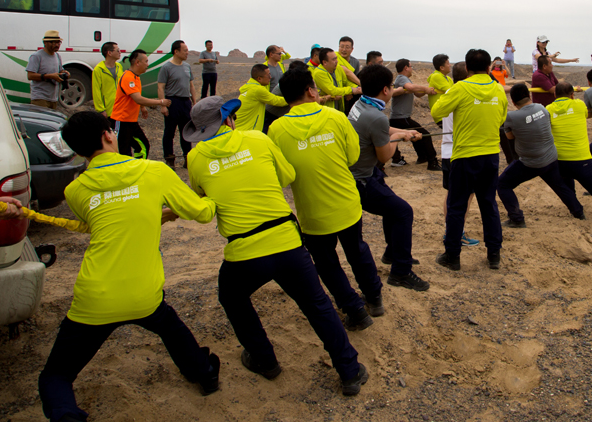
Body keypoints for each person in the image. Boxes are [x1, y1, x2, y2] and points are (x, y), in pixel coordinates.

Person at [39, 111, 221, 421]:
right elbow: (202, 214)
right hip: (142, 293)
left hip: (94, 297)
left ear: (78, 150)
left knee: (55, 376)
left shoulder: (75, 190)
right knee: (168, 324)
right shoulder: (154, 171)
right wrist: (216, 196)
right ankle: (205, 375)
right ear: (109, 135)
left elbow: (102, 218)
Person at [183, 97, 369, 396]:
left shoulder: (195, 158)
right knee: (318, 305)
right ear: (229, 120)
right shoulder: (258, 139)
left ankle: (264, 360)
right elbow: (287, 176)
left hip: (243, 251)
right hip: (286, 241)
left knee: (231, 297)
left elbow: (203, 196)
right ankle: (349, 371)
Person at [267, 69, 382, 330]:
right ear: (311, 91)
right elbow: (353, 156)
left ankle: (354, 310)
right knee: (357, 249)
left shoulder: (276, 129)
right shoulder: (336, 117)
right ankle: (374, 297)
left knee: (327, 263)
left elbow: (283, 176)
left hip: (313, 211)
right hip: (347, 202)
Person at [347, 64, 431, 291]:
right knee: (403, 211)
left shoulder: (361, 104)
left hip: (362, 171)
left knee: (392, 208)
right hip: (361, 179)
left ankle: (392, 252)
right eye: (393, 87)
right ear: (386, 89)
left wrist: (402, 133)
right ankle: (401, 272)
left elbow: (379, 130)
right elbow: (384, 155)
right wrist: (401, 138)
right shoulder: (377, 117)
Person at [432, 49, 508, 271]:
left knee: (456, 206)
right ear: (488, 68)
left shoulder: (460, 88)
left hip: (465, 156)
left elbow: (437, 112)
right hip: (491, 155)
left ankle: (452, 256)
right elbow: (502, 118)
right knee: (489, 204)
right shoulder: (498, 89)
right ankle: (494, 255)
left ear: (466, 68)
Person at [497, 83, 586, 227]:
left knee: (502, 184)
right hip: (550, 158)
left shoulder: (511, 117)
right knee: (559, 186)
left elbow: (510, 137)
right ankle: (578, 212)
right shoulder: (541, 108)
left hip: (530, 163)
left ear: (513, 102)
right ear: (529, 95)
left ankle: (517, 219)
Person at [547, 83, 592, 235]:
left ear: (555, 95)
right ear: (572, 95)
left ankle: (577, 213)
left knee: (569, 190)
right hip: (582, 160)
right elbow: (588, 113)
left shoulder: (548, 109)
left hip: (560, 160)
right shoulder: (580, 105)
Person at [438, 62, 481, 247]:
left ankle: (452, 231)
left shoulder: (450, 93)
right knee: (464, 197)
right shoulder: (465, 94)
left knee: (452, 195)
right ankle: (457, 233)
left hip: (448, 151)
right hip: (460, 151)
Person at [111, 49, 170, 159]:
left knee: (143, 146)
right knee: (125, 152)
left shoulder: (136, 77)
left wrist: (142, 108)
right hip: (121, 121)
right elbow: (138, 98)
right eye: (146, 61)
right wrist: (161, 102)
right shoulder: (128, 77)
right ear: (137, 62)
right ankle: (127, 172)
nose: (147, 64)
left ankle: (136, 168)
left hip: (131, 121)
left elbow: (135, 96)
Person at [389, 59, 442, 171]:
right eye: (411, 66)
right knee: (425, 135)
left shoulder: (405, 79)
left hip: (401, 117)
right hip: (400, 118)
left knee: (417, 134)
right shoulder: (402, 79)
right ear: (406, 68)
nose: (412, 68)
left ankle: (422, 157)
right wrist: (426, 88)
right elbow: (411, 88)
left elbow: (417, 94)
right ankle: (432, 162)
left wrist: (429, 90)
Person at [158, 40, 196, 170]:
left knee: (186, 131)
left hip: (186, 102)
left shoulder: (187, 66)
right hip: (172, 102)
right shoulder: (166, 67)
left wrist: (194, 102)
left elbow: (191, 85)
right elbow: (161, 87)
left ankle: (187, 158)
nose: (187, 52)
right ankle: (169, 159)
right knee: (169, 132)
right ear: (176, 51)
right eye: (185, 50)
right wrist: (163, 105)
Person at [235, 64, 287, 132]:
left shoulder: (249, 86)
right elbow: (276, 101)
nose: (270, 77)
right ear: (259, 78)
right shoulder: (257, 90)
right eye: (268, 75)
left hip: (239, 128)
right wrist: (296, 99)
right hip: (247, 130)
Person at [26, 30, 68, 108]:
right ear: (45, 43)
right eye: (53, 42)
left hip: (53, 98)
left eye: (58, 42)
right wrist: (49, 76)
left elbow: (60, 71)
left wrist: (65, 73)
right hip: (40, 98)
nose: (57, 45)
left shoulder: (57, 56)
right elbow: (30, 76)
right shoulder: (36, 56)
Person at [314, 47, 362, 114]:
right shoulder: (319, 73)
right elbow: (332, 91)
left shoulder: (338, 68)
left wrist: (357, 88)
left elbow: (346, 82)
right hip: (326, 112)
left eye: (336, 58)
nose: (336, 61)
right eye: (333, 59)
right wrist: (351, 90)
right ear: (324, 62)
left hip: (339, 110)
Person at [262, 45, 292, 131]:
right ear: (271, 54)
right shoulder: (264, 68)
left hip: (281, 103)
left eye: (281, 53)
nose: (281, 55)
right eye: (279, 53)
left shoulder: (280, 65)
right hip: (269, 106)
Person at [92, 42, 123, 118]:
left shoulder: (119, 67)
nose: (120, 52)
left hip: (120, 109)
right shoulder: (98, 70)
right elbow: (96, 91)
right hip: (108, 111)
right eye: (117, 50)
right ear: (109, 53)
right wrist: (101, 110)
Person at [427, 54, 453, 125]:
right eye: (448, 63)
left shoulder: (448, 79)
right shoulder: (436, 76)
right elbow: (452, 91)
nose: (450, 65)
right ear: (442, 67)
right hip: (441, 115)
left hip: (447, 114)